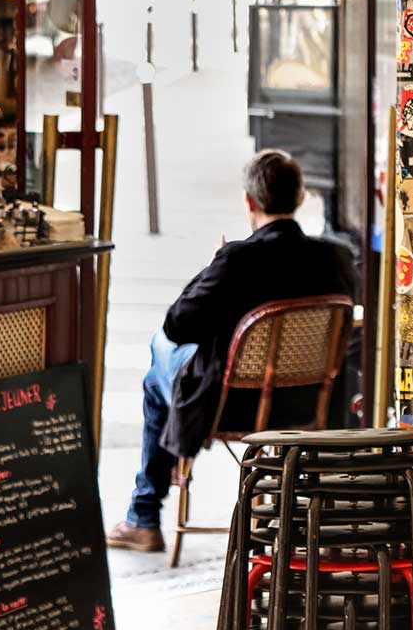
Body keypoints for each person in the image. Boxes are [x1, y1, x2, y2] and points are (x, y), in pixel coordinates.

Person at [106, 150, 355, 552]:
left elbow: (178, 325)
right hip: (310, 404)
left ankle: (144, 515)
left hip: (229, 405)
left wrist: (211, 268)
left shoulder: (238, 258)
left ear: (249, 202)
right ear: (300, 197)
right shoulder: (335, 257)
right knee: (163, 358)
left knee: (157, 363)